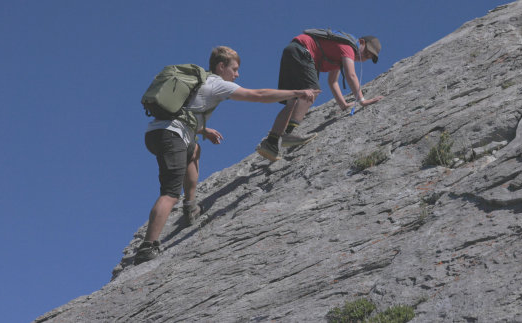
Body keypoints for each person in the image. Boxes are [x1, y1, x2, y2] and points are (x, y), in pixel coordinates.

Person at [135, 46, 320, 264]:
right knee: (170, 193)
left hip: (160, 132)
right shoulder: (216, 84)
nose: (237, 74)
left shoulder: (199, 82)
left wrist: (204, 130)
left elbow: (184, 112)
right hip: (172, 135)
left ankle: (191, 205)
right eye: (234, 69)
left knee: (194, 149)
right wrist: (296, 93)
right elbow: (258, 96)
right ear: (221, 66)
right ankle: (148, 247)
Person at [256, 31, 385, 162]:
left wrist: (343, 104)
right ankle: (289, 134)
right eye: (366, 53)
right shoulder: (348, 48)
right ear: (361, 42)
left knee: (293, 101)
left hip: (292, 51)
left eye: (368, 57)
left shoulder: (338, 55)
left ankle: (271, 143)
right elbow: (351, 75)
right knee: (313, 90)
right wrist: (362, 101)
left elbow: (332, 81)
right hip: (302, 50)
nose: (364, 57)